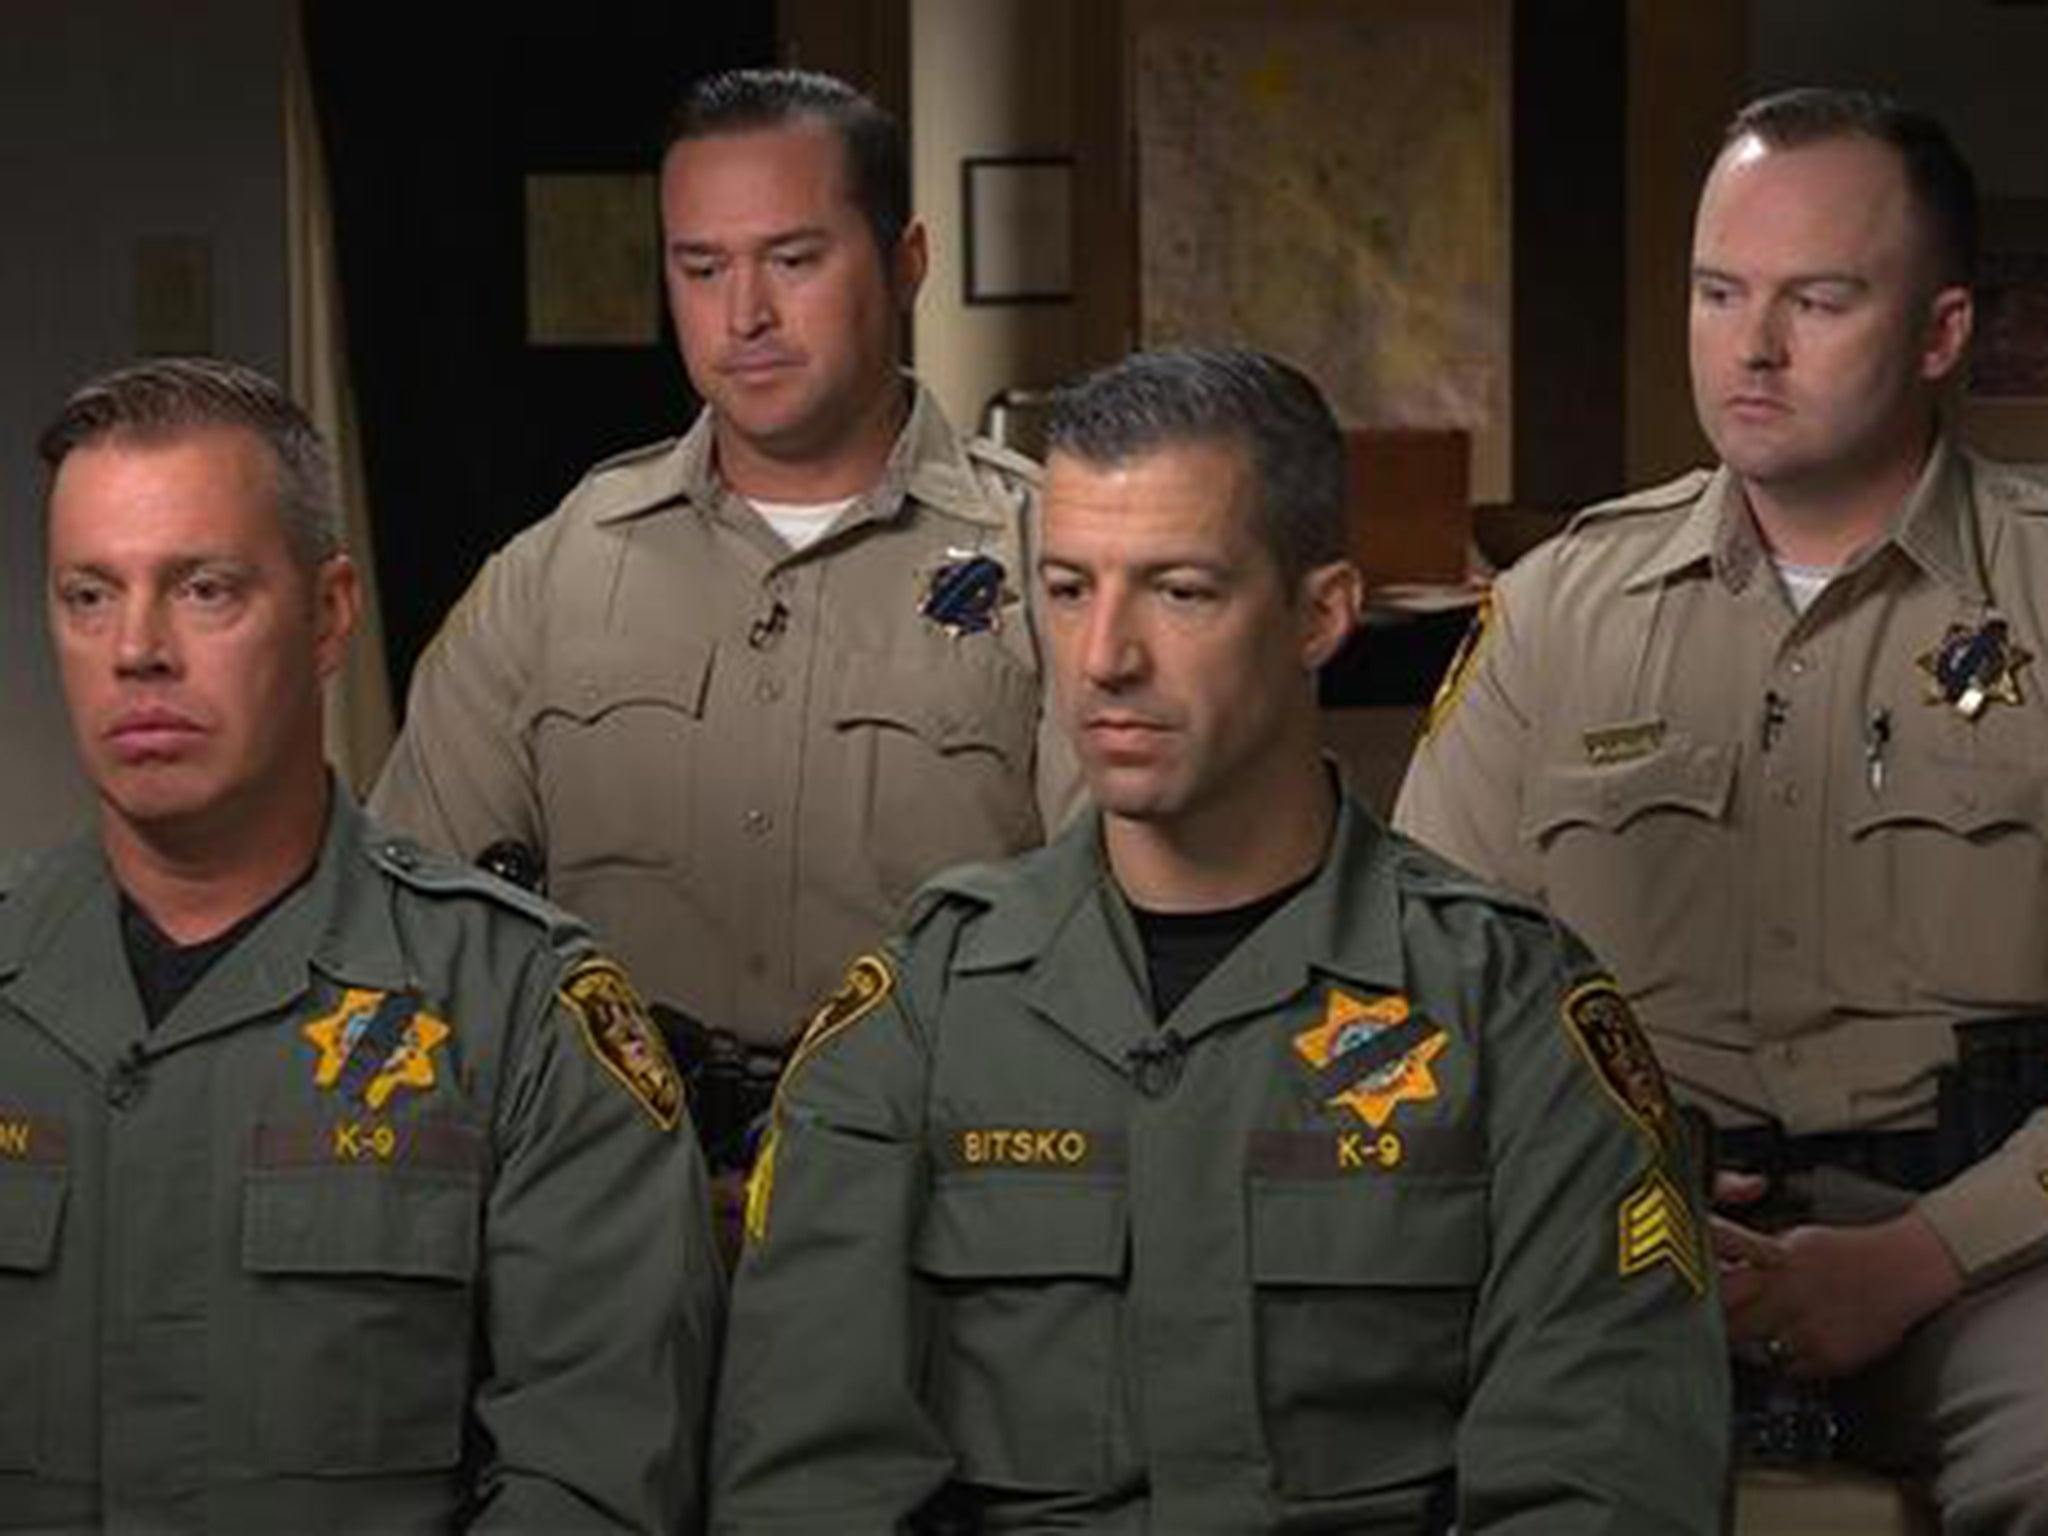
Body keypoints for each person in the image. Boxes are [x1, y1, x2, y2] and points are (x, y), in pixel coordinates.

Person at [710, 347, 1729, 1533]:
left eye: (1179, 591)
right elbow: (805, 1483)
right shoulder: (920, 1015)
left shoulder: (1509, 1015)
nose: (1104, 659)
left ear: (1319, 613)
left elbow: (1603, 1487)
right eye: (1069, 589)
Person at [1396, 88, 2048, 1532]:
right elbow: (1418, 987)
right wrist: (1597, 1209)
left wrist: (1930, 1252)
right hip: (1619, 1234)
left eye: (1816, 300)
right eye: (1717, 292)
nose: (1751, 348)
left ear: (1942, 333)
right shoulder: (1564, 608)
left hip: (1989, 1255)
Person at [0, 357, 721, 1531]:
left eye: (204, 590)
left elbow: (593, 1479)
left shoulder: (518, 1011)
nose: (136, 648)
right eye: (89, 594)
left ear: (330, 614)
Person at [370, 69, 1076, 1073]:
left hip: (942, 1184)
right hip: (612, 1185)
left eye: (792, 259)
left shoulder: (1053, 562)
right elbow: (412, 923)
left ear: (905, 260)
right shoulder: (555, 572)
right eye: (700, 268)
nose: (742, 314)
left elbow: (1129, 936)